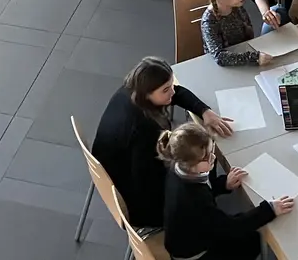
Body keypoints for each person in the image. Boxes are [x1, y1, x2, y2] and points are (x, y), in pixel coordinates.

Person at [92, 57, 234, 231]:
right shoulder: (145, 130)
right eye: (166, 90)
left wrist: (204, 111)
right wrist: (212, 185)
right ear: (148, 93)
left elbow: (178, 93)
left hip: (110, 173)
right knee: (198, 155)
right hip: (140, 203)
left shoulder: (131, 90)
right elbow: (150, 185)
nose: (172, 92)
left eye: (171, 85)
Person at [159, 122, 292, 260]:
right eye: (208, 157)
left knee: (246, 222)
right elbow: (232, 228)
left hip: (191, 234)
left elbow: (207, 188)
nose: (214, 157)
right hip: (195, 254)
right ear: (190, 164)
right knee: (252, 241)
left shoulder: (179, 168)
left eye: (212, 150)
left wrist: (224, 184)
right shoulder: (193, 199)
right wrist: (270, 209)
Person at [200, 0, 271, 66]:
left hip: (242, 56)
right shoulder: (209, 21)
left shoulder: (237, 7)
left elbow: (248, 35)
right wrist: (253, 58)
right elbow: (219, 57)